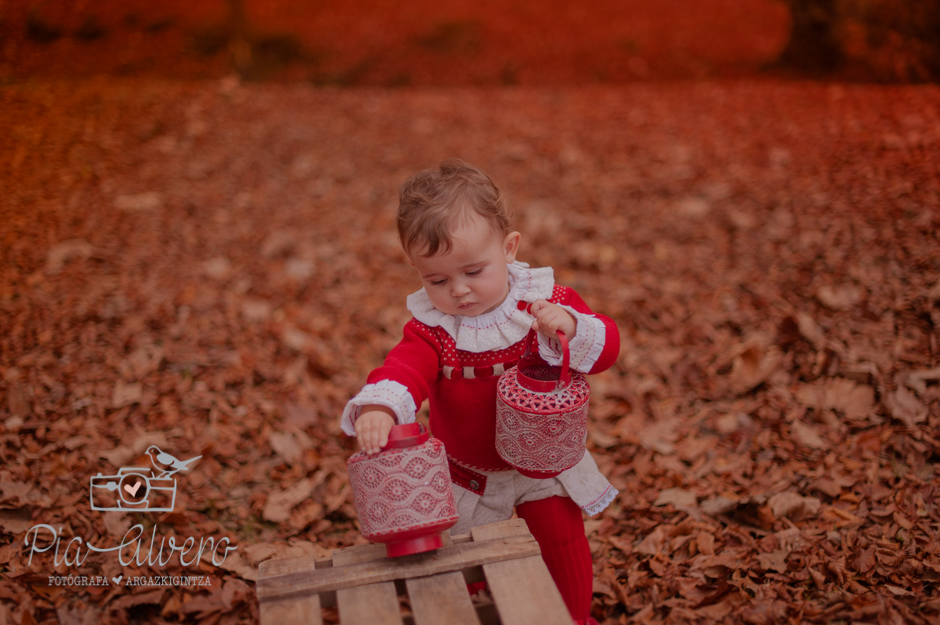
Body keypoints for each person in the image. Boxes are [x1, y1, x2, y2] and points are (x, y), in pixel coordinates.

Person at [341, 158, 619, 625]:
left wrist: (570, 326)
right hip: (469, 472)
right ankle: (488, 613)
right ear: (418, 272)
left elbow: (606, 348)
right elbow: (404, 368)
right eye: (437, 280)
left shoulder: (542, 303)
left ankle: (573, 617)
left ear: (509, 249)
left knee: (561, 537)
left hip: (539, 457)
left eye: (473, 271)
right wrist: (380, 407)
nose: (459, 291)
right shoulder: (435, 331)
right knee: (464, 561)